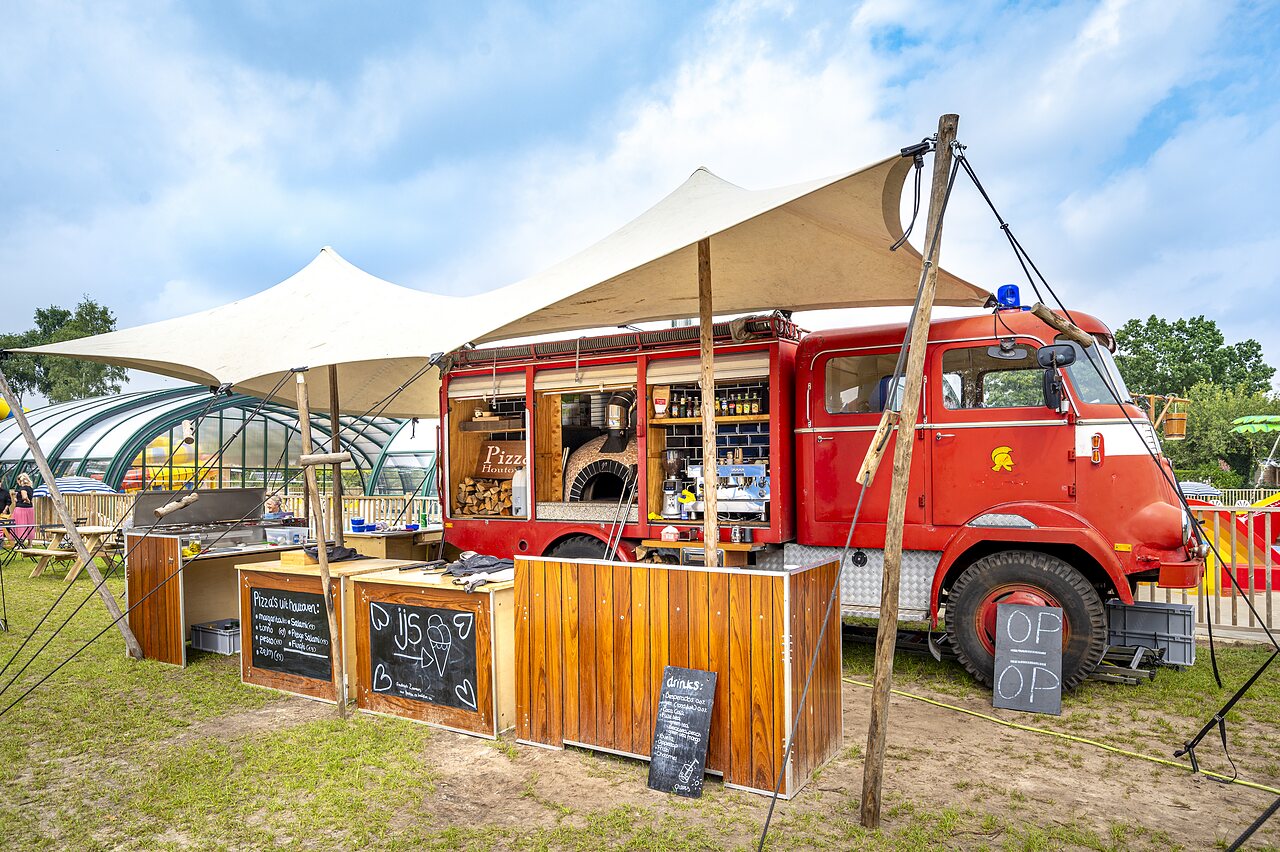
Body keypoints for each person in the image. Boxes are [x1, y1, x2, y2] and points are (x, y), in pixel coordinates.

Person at [11, 473, 35, 545]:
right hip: (29, 509)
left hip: (21, 509)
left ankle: (20, 542)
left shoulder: (23, 488)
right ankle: (30, 544)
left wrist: (26, 500)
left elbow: (24, 497)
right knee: (29, 525)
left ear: (19, 481)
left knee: (20, 525)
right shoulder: (30, 488)